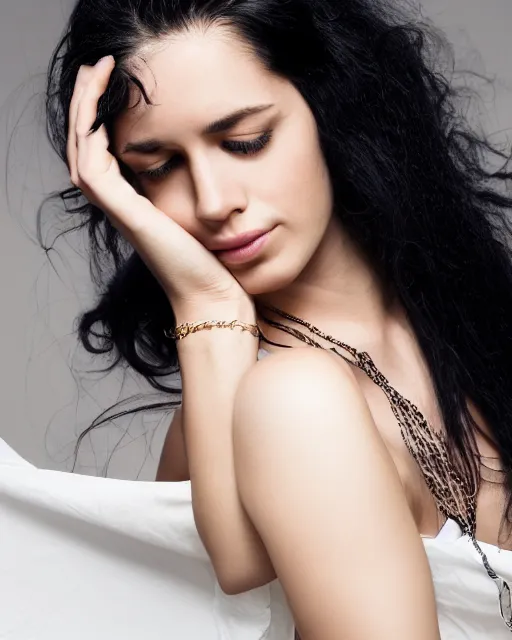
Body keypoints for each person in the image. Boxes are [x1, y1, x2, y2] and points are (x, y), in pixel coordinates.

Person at [32, 0, 512, 637]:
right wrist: (206, 302)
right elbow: (240, 562)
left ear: (330, 105)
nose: (214, 201)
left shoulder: (476, 323)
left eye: (244, 142)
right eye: (159, 168)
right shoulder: (281, 397)